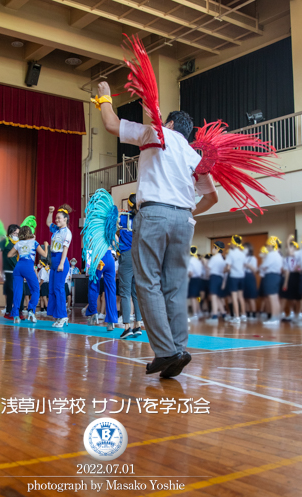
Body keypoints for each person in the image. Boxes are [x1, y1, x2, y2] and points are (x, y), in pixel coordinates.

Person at [97, 81, 218, 378]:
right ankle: (178, 348)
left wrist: (103, 98)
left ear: (171, 123)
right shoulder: (193, 155)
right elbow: (212, 196)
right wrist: (189, 211)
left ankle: (166, 352)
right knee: (174, 287)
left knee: (147, 281)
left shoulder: (156, 133)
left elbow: (112, 124)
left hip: (154, 214)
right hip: (184, 220)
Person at [117, 194, 144, 339]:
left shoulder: (123, 218)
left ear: (128, 205)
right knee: (136, 293)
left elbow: (110, 227)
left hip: (127, 255)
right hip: (139, 256)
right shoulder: (142, 218)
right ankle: (138, 325)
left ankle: (127, 326)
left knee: (125, 293)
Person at [7, 226, 47, 323]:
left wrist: (17, 253)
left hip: (18, 267)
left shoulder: (18, 243)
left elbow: (9, 255)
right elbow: (45, 255)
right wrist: (45, 245)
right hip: (28, 267)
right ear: (30, 233)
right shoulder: (34, 242)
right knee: (36, 289)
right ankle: (31, 311)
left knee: (17, 291)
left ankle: (15, 315)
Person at [45, 204, 73, 328]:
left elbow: (65, 249)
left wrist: (61, 263)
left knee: (59, 289)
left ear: (65, 219)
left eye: (59, 218)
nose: (56, 220)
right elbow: (47, 223)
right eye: (56, 218)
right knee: (52, 289)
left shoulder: (67, 232)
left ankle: (63, 316)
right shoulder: (56, 230)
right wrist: (50, 212)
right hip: (54, 260)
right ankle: (57, 316)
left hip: (61, 260)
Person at [0, 224, 20, 320]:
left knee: (18, 291)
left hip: (18, 270)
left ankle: (18, 311)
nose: (16, 235)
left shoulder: (20, 242)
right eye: (14, 233)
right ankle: (8, 311)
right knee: (10, 291)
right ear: (10, 232)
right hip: (9, 270)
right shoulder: (5, 241)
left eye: (18, 234)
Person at [260, 237, 284, 327]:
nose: (267, 247)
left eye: (268, 245)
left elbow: (264, 266)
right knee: (275, 297)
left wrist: (263, 262)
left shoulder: (271, 254)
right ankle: (276, 317)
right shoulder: (278, 254)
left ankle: (274, 317)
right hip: (277, 276)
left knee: (272, 297)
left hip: (271, 276)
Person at [225, 235, 246, 324]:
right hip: (242, 276)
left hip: (234, 277)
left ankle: (236, 317)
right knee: (241, 297)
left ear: (233, 243)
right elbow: (244, 265)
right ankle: (244, 315)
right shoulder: (242, 253)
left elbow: (228, 267)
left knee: (234, 297)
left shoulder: (231, 254)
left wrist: (224, 270)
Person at [205, 242, 227, 325]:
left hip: (214, 277)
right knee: (217, 297)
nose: (213, 249)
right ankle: (223, 313)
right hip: (220, 278)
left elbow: (209, 267)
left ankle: (214, 316)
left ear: (217, 249)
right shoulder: (222, 258)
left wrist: (205, 263)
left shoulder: (214, 258)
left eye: (214, 248)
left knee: (213, 297)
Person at [242, 243, 259, 319]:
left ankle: (254, 313)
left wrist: (248, 265)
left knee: (251, 297)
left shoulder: (253, 258)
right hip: (242, 276)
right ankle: (247, 312)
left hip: (250, 277)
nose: (244, 249)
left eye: (246, 248)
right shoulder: (241, 257)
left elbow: (255, 270)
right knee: (244, 297)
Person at [187, 246, 204, 321]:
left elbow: (190, 273)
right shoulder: (197, 260)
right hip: (199, 279)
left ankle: (195, 314)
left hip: (193, 279)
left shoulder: (190, 260)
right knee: (196, 297)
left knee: (193, 297)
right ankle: (199, 312)